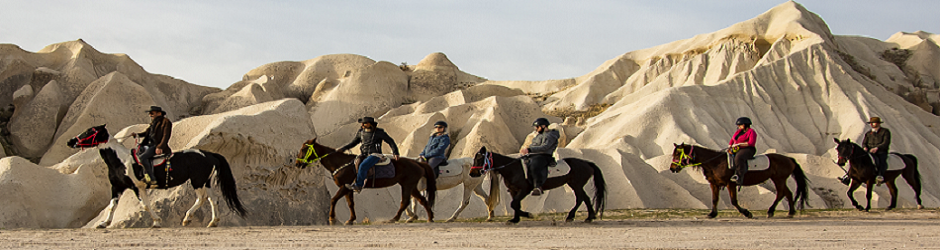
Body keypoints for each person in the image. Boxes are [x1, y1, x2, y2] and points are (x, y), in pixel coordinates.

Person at [338, 117, 400, 193]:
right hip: (364, 154)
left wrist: (395, 152)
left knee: (363, 165)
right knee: (354, 163)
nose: (362, 125)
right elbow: (354, 142)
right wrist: (343, 149)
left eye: (365, 123)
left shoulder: (379, 132)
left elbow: (390, 141)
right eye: (362, 123)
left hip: (375, 154)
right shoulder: (361, 132)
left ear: (370, 124)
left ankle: (358, 185)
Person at [130, 106, 172, 186]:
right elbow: (146, 133)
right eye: (150, 113)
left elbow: (166, 136)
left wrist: (160, 147)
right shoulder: (153, 123)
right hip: (149, 145)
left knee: (143, 157)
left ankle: (152, 179)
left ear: (159, 113)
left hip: (156, 146)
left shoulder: (165, 122)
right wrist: (137, 135)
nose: (150, 115)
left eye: (152, 113)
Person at [520, 118, 559, 196]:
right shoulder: (539, 136)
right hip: (534, 155)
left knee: (534, 165)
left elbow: (545, 147)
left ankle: (538, 186)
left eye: (537, 127)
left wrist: (530, 149)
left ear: (543, 126)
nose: (536, 129)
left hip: (544, 156)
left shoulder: (550, 136)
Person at [728, 117, 756, 186]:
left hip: (748, 149)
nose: (738, 126)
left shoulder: (751, 132)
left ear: (745, 125)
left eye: (740, 125)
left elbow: (751, 143)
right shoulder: (738, 132)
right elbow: (733, 139)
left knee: (739, 157)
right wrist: (730, 145)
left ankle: (739, 177)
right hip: (737, 148)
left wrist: (739, 144)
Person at [862, 117, 891, 185]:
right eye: (871, 123)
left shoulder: (885, 132)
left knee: (881, 161)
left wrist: (877, 148)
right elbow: (864, 142)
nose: (872, 124)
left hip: (881, 151)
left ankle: (880, 176)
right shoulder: (868, 133)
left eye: (873, 123)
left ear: (878, 123)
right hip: (870, 152)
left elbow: (886, 142)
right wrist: (864, 147)